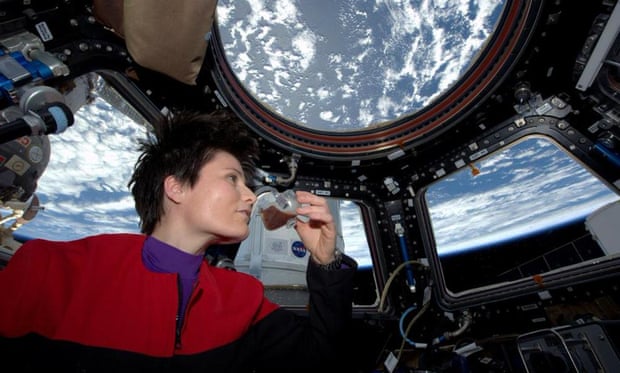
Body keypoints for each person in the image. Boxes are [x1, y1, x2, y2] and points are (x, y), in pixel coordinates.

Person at [0, 110, 358, 372]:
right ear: (176, 187)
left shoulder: (244, 299)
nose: (250, 196)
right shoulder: (50, 268)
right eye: (233, 179)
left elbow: (322, 360)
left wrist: (326, 260)